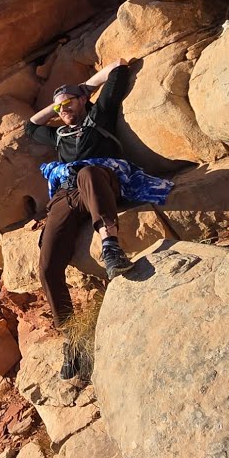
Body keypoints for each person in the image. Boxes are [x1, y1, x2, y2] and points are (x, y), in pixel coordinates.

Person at [24, 58, 174, 379]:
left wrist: (85, 88)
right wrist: (58, 106)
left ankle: (111, 249)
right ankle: (72, 340)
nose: (64, 108)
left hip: (100, 182)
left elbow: (118, 69)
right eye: (59, 106)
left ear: (83, 100)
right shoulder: (59, 134)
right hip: (67, 195)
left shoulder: (98, 115)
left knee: (89, 172)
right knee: (47, 267)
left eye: (69, 102)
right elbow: (30, 126)